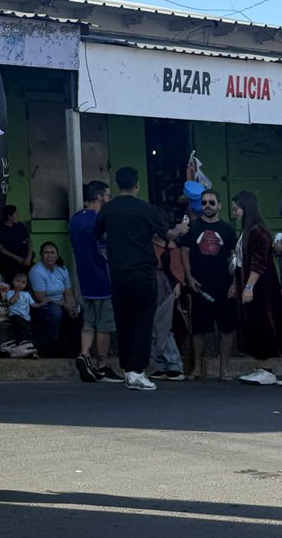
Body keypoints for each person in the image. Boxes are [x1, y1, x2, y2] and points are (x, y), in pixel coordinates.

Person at [94, 167, 189, 391]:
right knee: (143, 322)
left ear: (118, 185)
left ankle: (128, 369)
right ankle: (138, 370)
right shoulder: (146, 208)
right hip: (142, 271)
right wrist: (181, 228)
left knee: (123, 321)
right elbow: (167, 234)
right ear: (137, 185)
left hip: (117, 272)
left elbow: (97, 234)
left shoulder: (108, 209)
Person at [179, 191, 238, 380]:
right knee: (198, 329)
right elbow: (184, 252)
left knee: (227, 329)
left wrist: (236, 282)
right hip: (200, 285)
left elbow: (235, 258)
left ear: (219, 205)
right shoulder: (192, 228)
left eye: (212, 202)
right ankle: (197, 368)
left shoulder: (228, 230)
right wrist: (189, 277)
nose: (207, 205)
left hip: (224, 285)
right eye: (204, 202)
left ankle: (224, 369)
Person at [69, 180, 122, 383]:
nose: (108, 199)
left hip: (85, 277)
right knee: (105, 325)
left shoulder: (75, 220)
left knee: (88, 322)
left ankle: (84, 354)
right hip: (103, 277)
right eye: (107, 195)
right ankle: (102, 365)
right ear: (99, 196)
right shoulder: (100, 220)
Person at [230, 191, 282, 386]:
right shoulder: (247, 231)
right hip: (251, 286)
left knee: (264, 324)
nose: (234, 211)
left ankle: (266, 368)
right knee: (255, 325)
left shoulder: (257, 231)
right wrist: (237, 284)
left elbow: (258, 263)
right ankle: (262, 366)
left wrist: (249, 286)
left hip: (262, 290)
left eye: (237, 207)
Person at [28, 242, 79, 355]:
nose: (49, 256)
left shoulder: (62, 269)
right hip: (42, 306)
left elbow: (68, 292)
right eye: (46, 253)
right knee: (55, 312)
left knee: (78, 312)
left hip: (60, 302)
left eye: (52, 253)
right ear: (41, 255)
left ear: (57, 255)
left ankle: (74, 348)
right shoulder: (36, 271)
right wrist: (64, 305)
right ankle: (53, 347)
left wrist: (71, 306)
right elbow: (41, 298)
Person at [150, 228, 186, 382]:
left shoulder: (171, 246)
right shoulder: (148, 244)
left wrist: (177, 283)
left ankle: (174, 364)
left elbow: (177, 268)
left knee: (164, 327)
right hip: (151, 285)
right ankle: (161, 364)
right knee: (152, 328)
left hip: (166, 286)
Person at [0, 205, 32, 280]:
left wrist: (28, 257)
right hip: (8, 260)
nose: (18, 216)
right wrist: (17, 258)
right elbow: (0, 248)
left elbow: (29, 240)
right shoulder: (1, 229)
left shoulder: (20, 226)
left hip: (23, 256)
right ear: (9, 216)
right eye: (16, 214)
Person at [5, 270, 41, 347]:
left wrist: (40, 304)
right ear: (13, 282)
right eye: (17, 281)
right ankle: (22, 343)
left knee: (28, 328)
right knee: (21, 327)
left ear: (26, 284)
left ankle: (26, 345)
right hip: (15, 315)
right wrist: (17, 292)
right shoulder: (10, 292)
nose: (20, 284)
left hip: (25, 317)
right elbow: (11, 302)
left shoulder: (26, 294)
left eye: (23, 282)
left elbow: (33, 304)